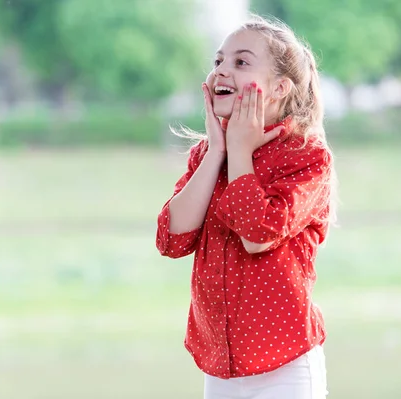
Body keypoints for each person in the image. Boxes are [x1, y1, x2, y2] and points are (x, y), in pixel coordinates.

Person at [155, 14, 337, 399]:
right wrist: (218, 150)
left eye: (241, 62)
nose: (221, 70)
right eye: (218, 60)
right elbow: (171, 240)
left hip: (286, 367)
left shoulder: (305, 156)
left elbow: (257, 236)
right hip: (220, 369)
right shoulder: (207, 155)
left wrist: (239, 151)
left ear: (278, 88)